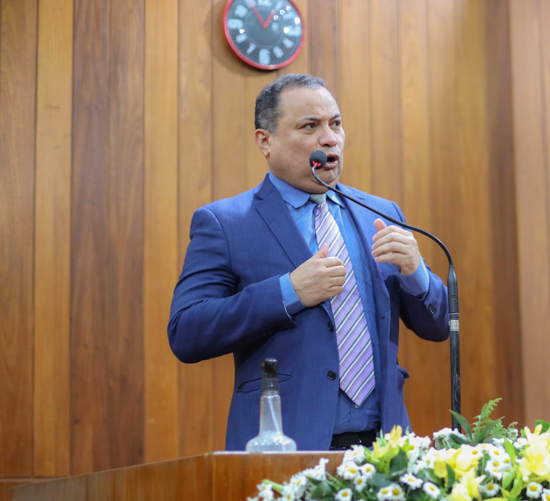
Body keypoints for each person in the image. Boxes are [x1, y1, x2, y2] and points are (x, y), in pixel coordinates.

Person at [168, 74, 448, 451]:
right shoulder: (226, 223)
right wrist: (288, 292)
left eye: (335, 124)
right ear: (265, 141)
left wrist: (417, 275)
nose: (329, 138)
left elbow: (439, 326)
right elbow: (186, 332)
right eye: (309, 126)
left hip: (385, 452)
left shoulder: (380, 214)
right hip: (286, 448)